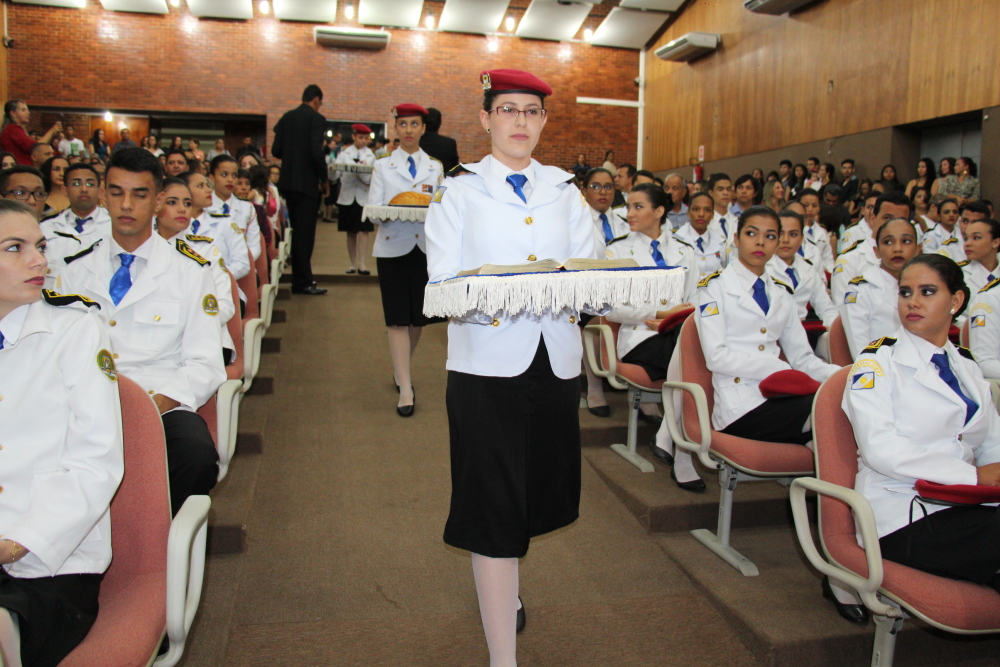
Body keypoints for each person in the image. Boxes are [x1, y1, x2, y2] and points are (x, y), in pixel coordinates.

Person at [425, 69, 599, 666]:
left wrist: (594, 291)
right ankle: (503, 658)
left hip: (554, 364)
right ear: (485, 119)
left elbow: (593, 273)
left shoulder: (566, 191)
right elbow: (441, 284)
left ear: (544, 122)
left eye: (531, 111)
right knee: (491, 502)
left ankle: (508, 588)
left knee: (532, 493)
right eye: (507, 110)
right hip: (484, 365)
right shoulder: (460, 190)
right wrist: (505, 293)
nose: (520, 121)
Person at [59, 147, 224, 516]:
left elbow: (205, 363)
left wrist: (152, 405)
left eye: (140, 194)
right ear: (103, 195)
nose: (126, 204)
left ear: (158, 200)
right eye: (116, 192)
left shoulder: (190, 272)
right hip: (84, 401)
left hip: (159, 401)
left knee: (196, 457)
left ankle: (156, 542)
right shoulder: (73, 269)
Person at [0, 198, 124, 667]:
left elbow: (97, 461)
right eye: (15, 248)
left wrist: (16, 542)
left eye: (39, 245)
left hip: (48, 555)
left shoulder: (76, 329)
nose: (38, 260)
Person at [843, 254, 1000, 609]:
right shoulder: (875, 364)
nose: (912, 302)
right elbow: (880, 449)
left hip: (965, 504)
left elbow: (992, 440)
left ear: (956, 301)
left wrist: (990, 476)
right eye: (905, 292)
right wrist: (973, 476)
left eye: (927, 292)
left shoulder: (966, 365)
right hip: (905, 512)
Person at [695, 205, 838, 445]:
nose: (760, 242)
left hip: (780, 396)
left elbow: (803, 359)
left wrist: (842, 375)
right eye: (751, 234)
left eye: (770, 236)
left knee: (842, 399)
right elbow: (716, 358)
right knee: (830, 412)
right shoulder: (713, 288)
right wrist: (775, 367)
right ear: (736, 239)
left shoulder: (782, 294)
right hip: (739, 405)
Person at [605, 183, 702, 491]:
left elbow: (698, 299)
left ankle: (670, 439)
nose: (629, 213)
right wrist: (662, 313)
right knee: (693, 357)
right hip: (640, 337)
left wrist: (679, 314)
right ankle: (682, 450)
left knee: (687, 348)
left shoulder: (685, 250)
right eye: (628, 207)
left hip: (677, 335)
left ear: (659, 212)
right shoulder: (617, 250)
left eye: (637, 207)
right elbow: (612, 307)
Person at [367, 104, 446, 417]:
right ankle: (406, 386)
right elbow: (374, 208)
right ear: (395, 129)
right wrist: (394, 210)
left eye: (415, 124)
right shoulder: (382, 165)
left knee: (417, 320)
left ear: (423, 129)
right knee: (397, 318)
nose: (409, 130)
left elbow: (440, 207)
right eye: (404, 125)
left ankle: (401, 370)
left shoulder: (435, 166)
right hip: (392, 247)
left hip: (426, 250)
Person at [155, 177, 237, 360]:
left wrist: (179, 326)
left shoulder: (206, 251)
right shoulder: (143, 249)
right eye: (172, 202)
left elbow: (225, 306)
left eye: (187, 203)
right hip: (151, 341)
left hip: (203, 340)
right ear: (155, 205)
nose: (182, 209)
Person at [272, 84, 328, 295]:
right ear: (316, 100)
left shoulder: (286, 118)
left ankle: (301, 279)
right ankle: (302, 282)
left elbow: (276, 150)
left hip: (287, 183)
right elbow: (316, 151)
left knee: (293, 232)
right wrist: (324, 178)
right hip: (306, 184)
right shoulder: (316, 119)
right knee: (305, 235)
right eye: (320, 103)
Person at [840, 218, 920, 359]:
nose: (897, 249)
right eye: (888, 242)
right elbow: (862, 353)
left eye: (906, 241)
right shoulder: (860, 290)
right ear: (876, 251)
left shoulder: (926, 287)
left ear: (917, 249)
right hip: (882, 370)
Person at [579, 166, 623, 416]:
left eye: (608, 187)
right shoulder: (577, 219)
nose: (603, 192)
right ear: (584, 190)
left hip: (621, 291)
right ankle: (595, 388)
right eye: (595, 186)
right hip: (587, 293)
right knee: (596, 322)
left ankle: (644, 395)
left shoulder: (625, 221)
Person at [767, 209, 838, 336]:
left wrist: (834, 329)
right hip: (772, 334)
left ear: (802, 238)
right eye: (780, 234)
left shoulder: (808, 268)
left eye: (793, 234)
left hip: (805, 332)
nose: (786, 240)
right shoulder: (762, 267)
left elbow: (827, 309)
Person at [40, 162, 111, 290]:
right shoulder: (46, 228)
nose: (84, 189)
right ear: (65, 190)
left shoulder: (115, 226)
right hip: (54, 302)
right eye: (76, 183)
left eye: (90, 184)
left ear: (100, 191)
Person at [179, 170, 251, 288]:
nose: (209, 190)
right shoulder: (173, 227)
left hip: (222, 288)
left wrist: (212, 278)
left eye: (208, 185)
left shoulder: (225, 223)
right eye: (200, 186)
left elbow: (242, 264)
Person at [330, 124, 376, 276]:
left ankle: (362, 264)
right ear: (354, 137)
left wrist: (360, 170)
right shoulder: (344, 153)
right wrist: (332, 169)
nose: (363, 141)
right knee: (350, 232)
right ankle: (352, 263)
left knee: (363, 231)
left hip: (363, 197)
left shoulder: (371, 156)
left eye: (366, 138)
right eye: (360, 137)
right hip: (347, 196)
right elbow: (335, 176)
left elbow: (371, 178)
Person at [674, 191, 726, 278]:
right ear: (688, 212)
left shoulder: (721, 242)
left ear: (713, 215)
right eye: (696, 209)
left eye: (707, 210)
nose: (701, 214)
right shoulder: (675, 240)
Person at [0, 101, 60, 166]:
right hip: (21, 168)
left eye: (27, 110)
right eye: (23, 110)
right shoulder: (13, 128)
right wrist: (52, 131)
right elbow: (34, 147)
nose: (28, 113)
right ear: (13, 113)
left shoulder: (12, 128)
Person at [959, 218, 1000, 298]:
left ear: (995, 242)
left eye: (976, 238)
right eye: (966, 238)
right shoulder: (958, 274)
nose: (967, 244)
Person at [798, 188, 834, 273]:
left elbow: (828, 259)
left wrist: (829, 275)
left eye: (814, 205)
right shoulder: (793, 230)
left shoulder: (822, 232)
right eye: (806, 205)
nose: (810, 209)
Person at [418, 108, 460, 174]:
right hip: (443, 182)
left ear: (423, 123)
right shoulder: (449, 144)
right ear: (439, 123)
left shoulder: (415, 143)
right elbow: (454, 169)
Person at [706, 172, 736, 247]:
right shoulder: (705, 221)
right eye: (720, 189)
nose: (725, 193)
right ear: (711, 193)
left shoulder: (738, 221)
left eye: (729, 189)